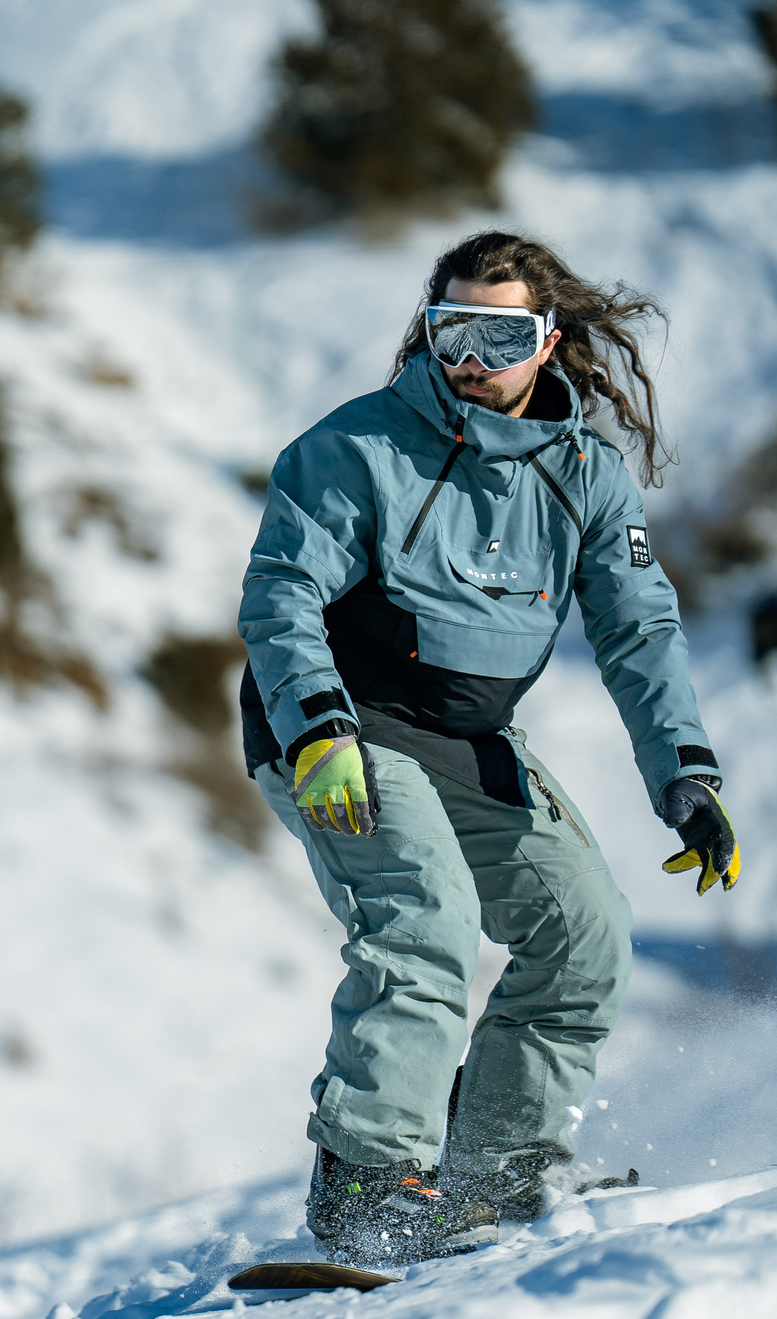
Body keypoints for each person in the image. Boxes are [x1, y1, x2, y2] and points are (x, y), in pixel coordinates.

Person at [237, 231, 741, 1266]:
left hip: (466, 737)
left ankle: (491, 1175)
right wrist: (318, 729)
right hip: (339, 722)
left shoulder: (586, 479)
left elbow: (639, 628)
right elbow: (282, 593)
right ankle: (367, 1187)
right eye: (451, 329)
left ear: (547, 341)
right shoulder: (356, 450)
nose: (471, 355)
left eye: (499, 333)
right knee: (425, 915)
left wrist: (684, 774)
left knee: (586, 930)